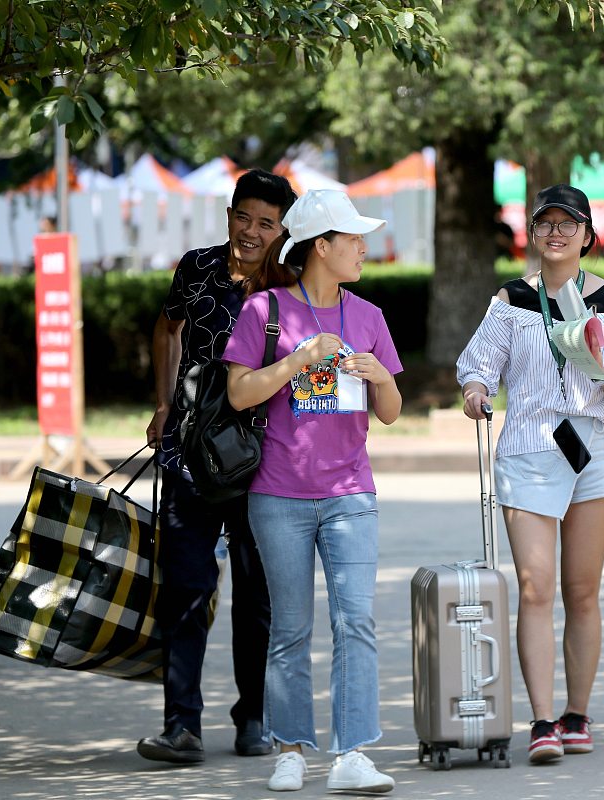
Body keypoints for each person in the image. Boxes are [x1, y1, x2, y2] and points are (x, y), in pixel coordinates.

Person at [457, 184, 604, 764]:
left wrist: (603, 372)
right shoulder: (512, 299)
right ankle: (542, 721)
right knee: (536, 588)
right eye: (546, 224)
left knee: (582, 590)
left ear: (588, 236)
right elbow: (478, 365)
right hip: (529, 446)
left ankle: (577, 713)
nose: (557, 233)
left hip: (590, 445)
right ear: (533, 234)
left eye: (570, 224)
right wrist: (475, 392)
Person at [223, 189, 403, 793]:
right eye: (352, 239)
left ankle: (353, 753)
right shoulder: (265, 310)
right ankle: (291, 751)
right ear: (321, 247)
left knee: (356, 621)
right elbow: (240, 393)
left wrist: (379, 376)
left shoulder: (369, 315)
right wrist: (299, 359)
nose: (363, 248)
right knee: (291, 627)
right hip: (278, 494)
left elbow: (391, 413)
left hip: (352, 490)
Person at [138, 168, 295, 765]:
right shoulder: (196, 267)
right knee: (185, 587)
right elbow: (167, 326)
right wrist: (162, 402)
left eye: (266, 223)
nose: (251, 232)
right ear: (228, 214)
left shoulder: (289, 284)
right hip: (190, 452)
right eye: (243, 217)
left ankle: (253, 717)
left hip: (265, 459)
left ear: (282, 230)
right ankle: (182, 725)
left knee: (257, 594)